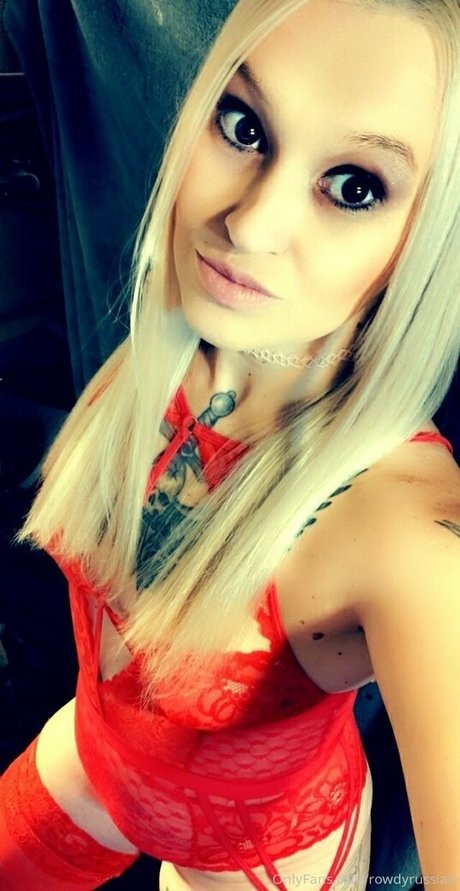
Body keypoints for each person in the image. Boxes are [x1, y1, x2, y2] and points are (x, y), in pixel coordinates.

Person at [1, 0, 459, 888]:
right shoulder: (188, 337)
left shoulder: (406, 534)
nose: (247, 226)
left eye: (353, 187)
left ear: (427, 244)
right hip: (93, 760)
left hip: (251, 862)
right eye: (244, 126)